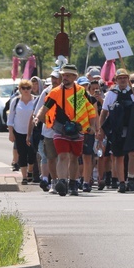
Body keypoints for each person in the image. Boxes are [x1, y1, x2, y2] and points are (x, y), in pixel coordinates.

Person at [34, 64, 97, 197]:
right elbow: (44, 108)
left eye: (68, 75)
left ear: (75, 77)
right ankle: (62, 183)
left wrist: (92, 127)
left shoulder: (81, 91)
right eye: (64, 75)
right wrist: (39, 118)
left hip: (78, 129)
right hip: (60, 128)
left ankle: (73, 183)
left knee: (74, 157)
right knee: (62, 156)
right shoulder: (55, 92)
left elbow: (91, 110)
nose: (65, 77)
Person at [98, 68, 134, 193]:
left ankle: (131, 179)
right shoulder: (111, 94)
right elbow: (104, 113)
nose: (123, 80)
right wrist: (100, 130)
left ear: (128, 79)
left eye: (125, 78)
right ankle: (121, 182)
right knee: (118, 156)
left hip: (131, 129)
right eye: (120, 78)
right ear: (116, 80)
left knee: (133, 154)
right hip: (116, 129)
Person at [34, 69, 61, 192]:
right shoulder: (46, 92)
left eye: (56, 78)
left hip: (64, 131)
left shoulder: (67, 91)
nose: (54, 80)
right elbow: (38, 112)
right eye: (53, 78)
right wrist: (51, 124)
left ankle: (64, 181)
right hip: (49, 131)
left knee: (64, 157)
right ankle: (54, 182)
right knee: (51, 158)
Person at [7, 79, 35, 184]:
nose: (26, 90)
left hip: (32, 132)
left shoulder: (35, 100)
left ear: (31, 89)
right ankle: (24, 177)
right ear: (20, 89)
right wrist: (11, 132)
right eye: (23, 88)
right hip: (19, 131)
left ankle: (30, 170)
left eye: (28, 88)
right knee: (21, 154)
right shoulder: (15, 101)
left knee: (31, 154)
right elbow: (10, 118)